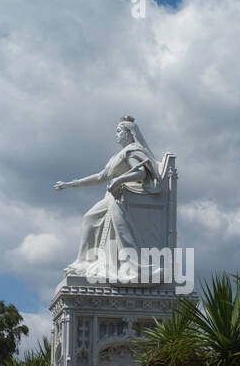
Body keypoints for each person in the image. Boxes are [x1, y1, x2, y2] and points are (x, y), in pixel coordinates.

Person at [54, 116, 163, 278]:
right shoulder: (118, 156)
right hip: (112, 196)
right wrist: (70, 184)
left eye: (119, 131)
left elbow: (141, 173)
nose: (116, 135)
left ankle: (126, 265)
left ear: (129, 133)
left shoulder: (133, 151)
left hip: (121, 197)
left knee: (91, 218)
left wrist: (120, 179)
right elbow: (100, 177)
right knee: (89, 218)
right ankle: (84, 262)